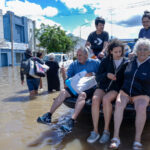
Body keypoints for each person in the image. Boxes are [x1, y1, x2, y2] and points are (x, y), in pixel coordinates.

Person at [37, 47, 100, 132]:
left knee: (82, 95)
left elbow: (102, 74)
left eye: (80, 55)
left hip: (89, 87)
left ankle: (71, 120)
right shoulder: (74, 64)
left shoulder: (95, 63)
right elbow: (67, 80)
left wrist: (93, 74)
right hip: (77, 86)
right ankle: (49, 115)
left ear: (86, 55)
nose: (78, 57)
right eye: (77, 55)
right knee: (63, 92)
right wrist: (63, 74)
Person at [109, 38, 150, 150]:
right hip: (125, 92)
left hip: (141, 94)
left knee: (142, 107)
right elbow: (117, 73)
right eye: (140, 49)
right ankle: (116, 137)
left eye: (145, 49)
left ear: (149, 51)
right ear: (136, 50)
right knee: (118, 103)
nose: (142, 51)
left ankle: (137, 140)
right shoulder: (129, 62)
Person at [87, 39, 128, 144]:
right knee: (95, 99)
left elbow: (126, 79)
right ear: (110, 51)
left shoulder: (126, 62)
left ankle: (106, 131)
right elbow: (97, 77)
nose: (118, 54)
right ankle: (95, 130)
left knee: (106, 100)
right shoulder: (105, 61)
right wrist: (107, 75)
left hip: (115, 88)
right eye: (115, 52)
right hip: (103, 86)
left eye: (120, 51)